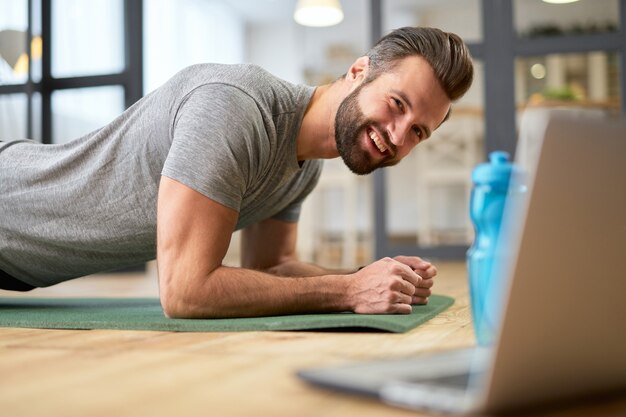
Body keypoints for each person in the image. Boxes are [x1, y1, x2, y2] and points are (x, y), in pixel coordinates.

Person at [0, 26, 474, 318]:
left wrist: (371, 277)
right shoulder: (234, 107)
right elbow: (186, 291)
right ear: (357, 71)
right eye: (396, 104)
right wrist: (348, 290)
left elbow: (271, 269)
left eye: (418, 132)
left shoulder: (304, 166)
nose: (397, 134)